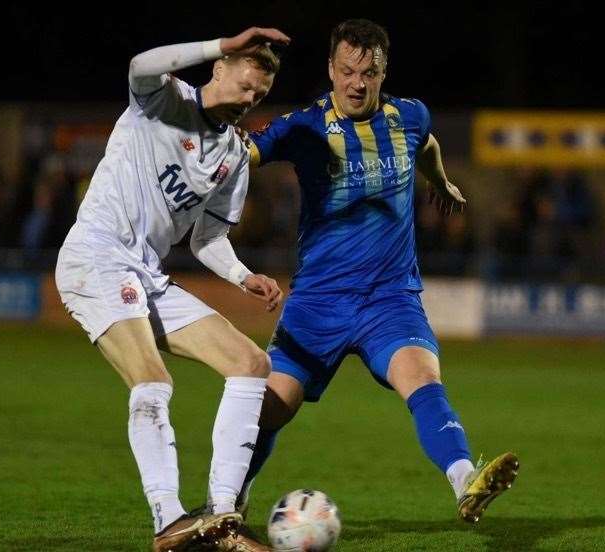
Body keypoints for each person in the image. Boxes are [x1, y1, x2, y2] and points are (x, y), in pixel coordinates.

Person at [218, 19, 519, 549]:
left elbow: (426, 143)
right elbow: (246, 156)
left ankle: (464, 481)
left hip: (389, 298)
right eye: (348, 71)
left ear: (384, 73)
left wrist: (439, 179)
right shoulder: (304, 126)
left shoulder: (409, 115)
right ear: (332, 70)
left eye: (369, 73)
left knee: (423, 380)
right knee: (271, 407)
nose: (357, 83)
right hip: (317, 301)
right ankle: (231, 499)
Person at [54, 27, 289, 552]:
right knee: (153, 381)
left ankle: (223, 520)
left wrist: (241, 275)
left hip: (145, 273)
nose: (248, 99)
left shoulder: (233, 156)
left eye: (259, 95)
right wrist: (222, 41)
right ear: (220, 69)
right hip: (95, 255)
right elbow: (140, 61)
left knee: (251, 363)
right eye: (244, 84)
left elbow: (208, 238)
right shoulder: (163, 101)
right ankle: (168, 519)